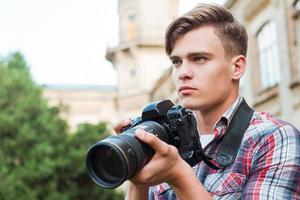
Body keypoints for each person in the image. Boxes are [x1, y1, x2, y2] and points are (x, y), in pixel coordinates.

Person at [114, 3, 300, 199]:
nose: (183, 73)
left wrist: (178, 174)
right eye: (177, 62)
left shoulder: (273, 138)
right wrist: (137, 170)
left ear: (236, 67)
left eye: (199, 58)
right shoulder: (164, 142)